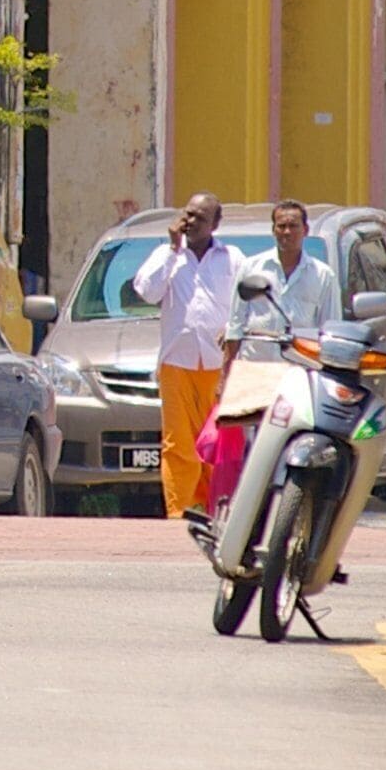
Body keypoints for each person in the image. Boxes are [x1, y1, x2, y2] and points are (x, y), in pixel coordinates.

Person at [125, 194, 238, 525]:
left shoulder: (231, 258)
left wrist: (232, 333)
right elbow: (146, 291)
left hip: (218, 365)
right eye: (188, 214)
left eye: (200, 218)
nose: (191, 222)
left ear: (215, 225)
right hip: (177, 361)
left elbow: (244, 303)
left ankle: (217, 507)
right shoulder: (166, 254)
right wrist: (173, 250)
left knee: (217, 440)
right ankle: (180, 510)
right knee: (178, 443)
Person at [260, 200, 342, 332]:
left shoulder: (323, 275)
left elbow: (330, 329)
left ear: (305, 230)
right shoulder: (251, 269)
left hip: (301, 352)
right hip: (259, 352)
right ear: (273, 230)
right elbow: (235, 325)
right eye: (281, 226)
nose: (287, 232)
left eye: (293, 226)